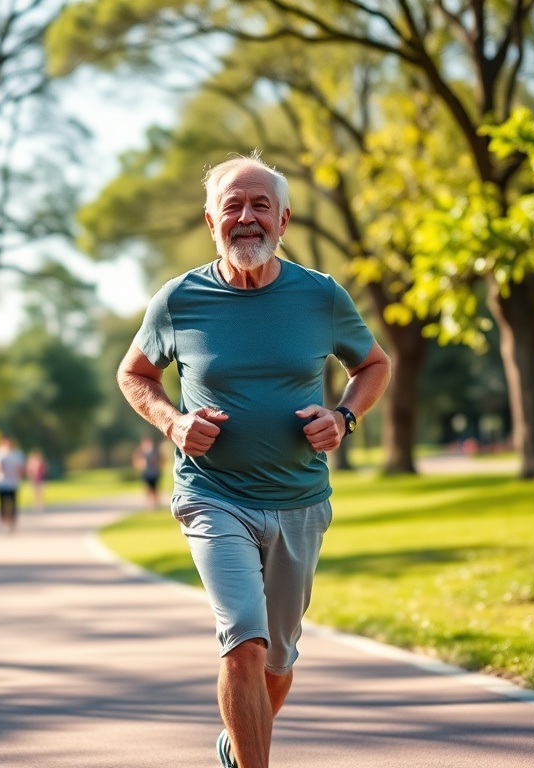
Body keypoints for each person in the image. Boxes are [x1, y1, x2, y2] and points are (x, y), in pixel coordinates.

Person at [116, 151, 391, 768]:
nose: (247, 217)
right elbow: (134, 374)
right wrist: (173, 421)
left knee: (277, 659)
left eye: (260, 205)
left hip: (299, 501)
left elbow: (374, 364)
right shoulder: (179, 300)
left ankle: (237, 746)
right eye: (232, 206)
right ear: (210, 221)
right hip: (213, 496)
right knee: (244, 641)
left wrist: (344, 416)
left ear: (284, 219)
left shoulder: (320, 296)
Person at [0, 435, 25, 533]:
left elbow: (22, 468)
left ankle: (12, 522)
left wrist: (19, 472)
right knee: (2, 503)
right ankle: (3, 521)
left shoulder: (17, 453)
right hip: (0, 482)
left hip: (13, 483)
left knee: (12, 503)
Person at [132, 434, 163, 509]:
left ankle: (155, 503)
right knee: (148, 488)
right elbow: (136, 460)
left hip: (154, 472)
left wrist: (158, 466)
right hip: (146, 472)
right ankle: (149, 503)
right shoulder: (141, 452)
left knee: (155, 488)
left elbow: (160, 460)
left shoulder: (155, 451)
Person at [25, 449, 48, 514]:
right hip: (34, 479)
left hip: (40, 479)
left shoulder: (41, 462)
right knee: (35, 492)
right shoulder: (31, 463)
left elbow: (44, 470)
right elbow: (29, 471)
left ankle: (40, 504)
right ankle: (35, 504)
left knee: (40, 492)